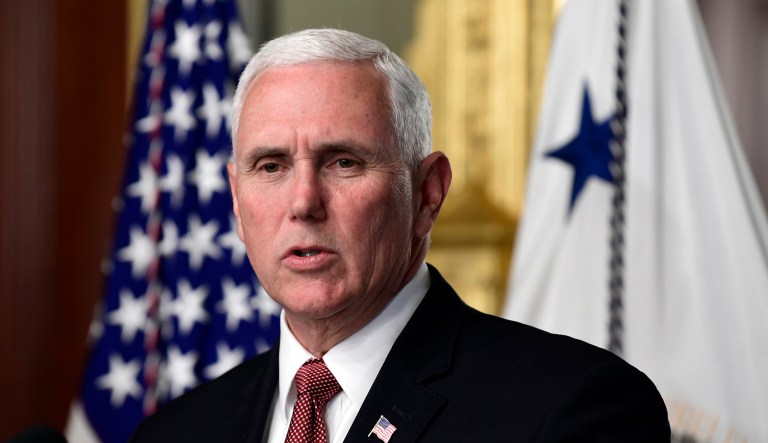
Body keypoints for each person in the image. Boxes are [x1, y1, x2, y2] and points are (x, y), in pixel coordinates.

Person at [132, 28, 670, 442]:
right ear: (235, 198)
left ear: (428, 192)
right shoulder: (175, 432)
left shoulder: (571, 408)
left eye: (343, 162)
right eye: (270, 166)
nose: (302, 203)